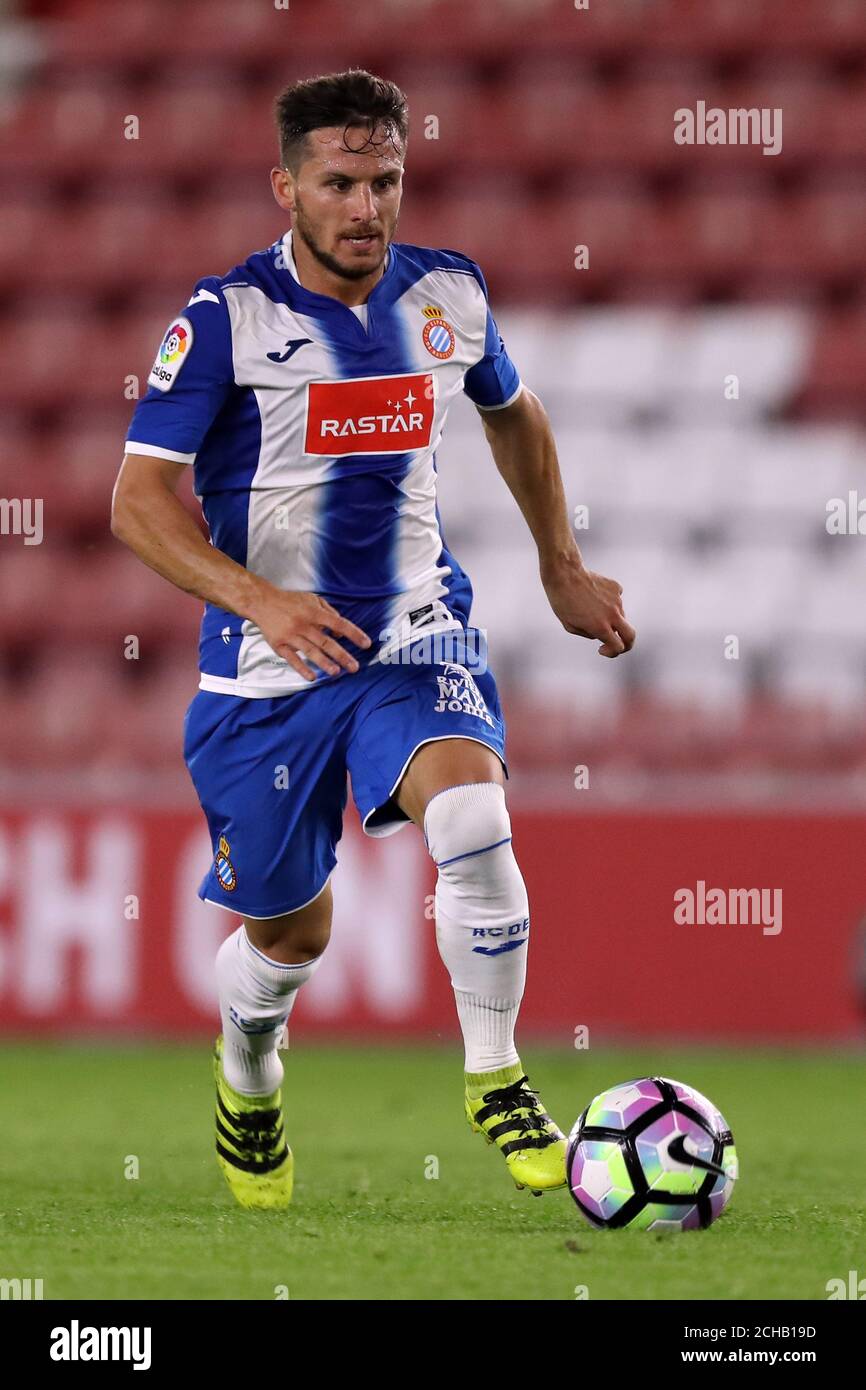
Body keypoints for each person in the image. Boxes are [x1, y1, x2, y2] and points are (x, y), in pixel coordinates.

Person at [111, 68, 635, 1211]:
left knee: (472, 812)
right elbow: (135, 504)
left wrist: (557, 562)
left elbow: (515, 412)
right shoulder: (223, 321)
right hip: (267, 672)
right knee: (289, 934)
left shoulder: (447, 293)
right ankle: (248, 1075)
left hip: (414, 630)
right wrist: (261, 600)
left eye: (384, 180)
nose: (365, 206)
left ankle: (493, 1075)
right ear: (285, 186)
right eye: (338, 182)